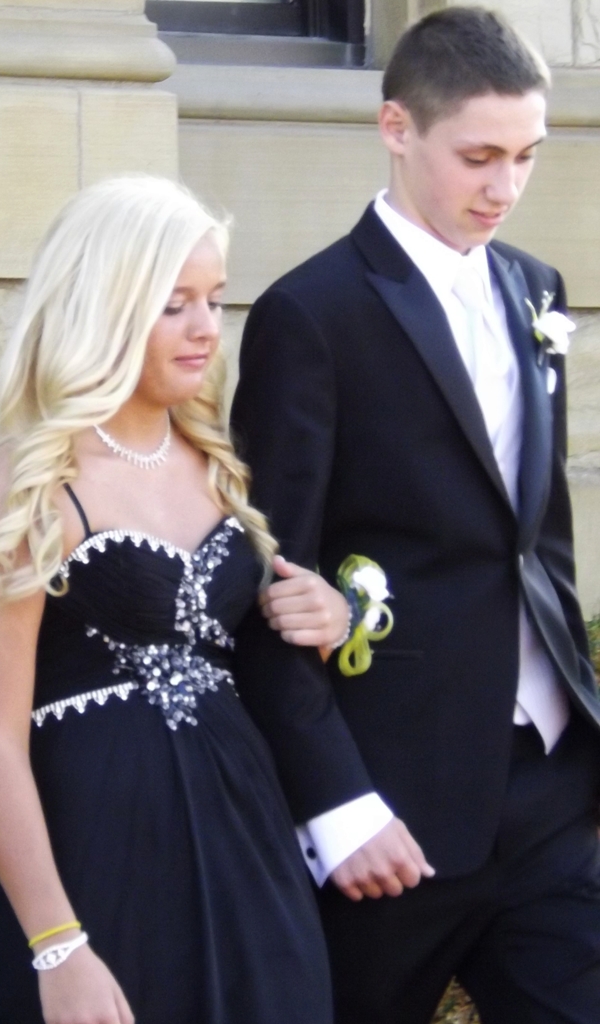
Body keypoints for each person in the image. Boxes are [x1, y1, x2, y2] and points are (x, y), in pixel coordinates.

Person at [0, 176, 339, 1024]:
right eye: (173, 304)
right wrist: (57, 944)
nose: (205, 327)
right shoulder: (31, 483)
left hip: (246, 844)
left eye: (214, 299)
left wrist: (326, 612)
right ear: (105, 307)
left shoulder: (221, 466)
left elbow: (256, 650)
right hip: (93, 861)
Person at [231, 7, 600, 1023]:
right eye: (478, 156)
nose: (505, 187)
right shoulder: (313, 314)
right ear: (396, 127)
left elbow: (540, 543)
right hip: (393, 810)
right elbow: (268, 579)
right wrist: (336, 805)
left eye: (527, 155)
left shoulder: (537, 288)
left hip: (548, 792)